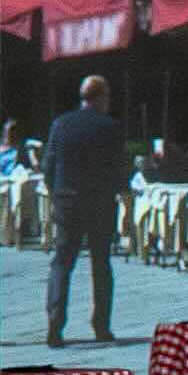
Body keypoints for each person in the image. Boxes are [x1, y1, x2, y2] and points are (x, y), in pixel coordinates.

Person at [40, 72, 135, 347]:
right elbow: (120, 168)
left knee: (62, 262)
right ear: (101, 98)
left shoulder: (60, 124)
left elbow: (48, 165)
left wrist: (57, 192)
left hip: (67, 202)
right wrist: (121, 192)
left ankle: (55, 322)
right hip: (100, 204)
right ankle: (101, 326)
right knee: (101, 264)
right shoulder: (111, 127)